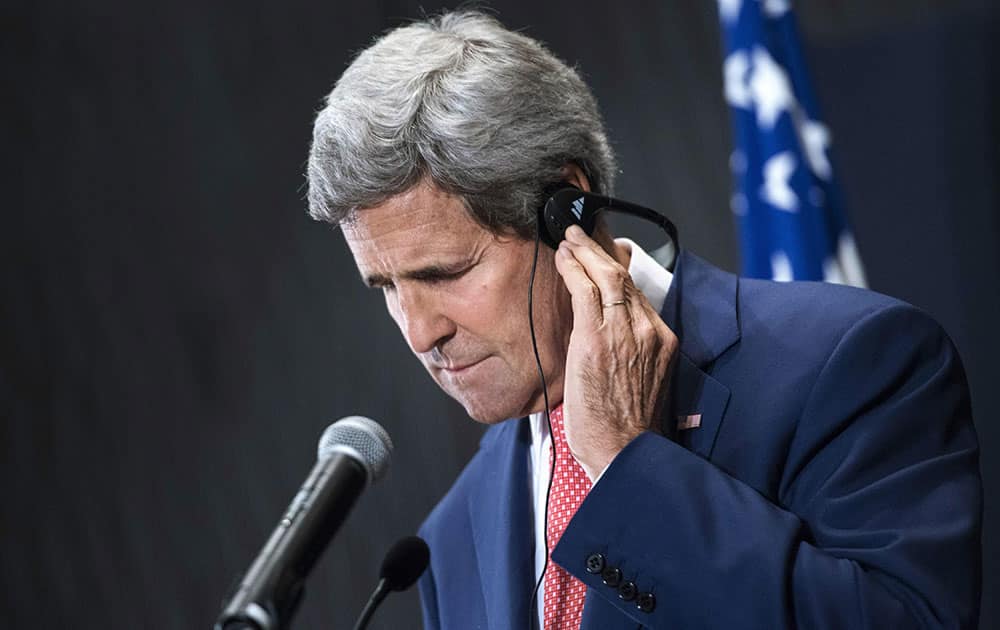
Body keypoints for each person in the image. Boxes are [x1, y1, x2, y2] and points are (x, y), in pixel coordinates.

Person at [306, 10, 982, 630]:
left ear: (564, 207)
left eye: (443, 273)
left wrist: (632, 469)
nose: (422, 333)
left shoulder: (852, 361)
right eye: (386, 287)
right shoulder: (450, 538)